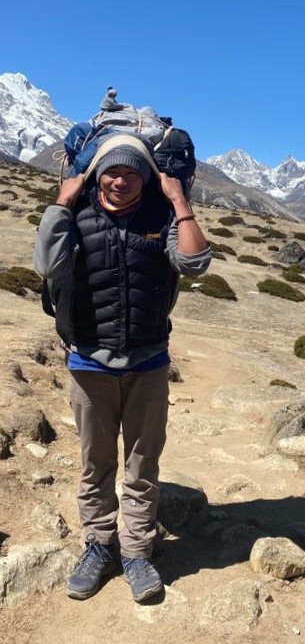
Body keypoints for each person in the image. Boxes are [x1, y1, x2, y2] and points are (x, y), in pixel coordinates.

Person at [33, 134, 211, 603]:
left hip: (148, 363)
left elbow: (194, 263)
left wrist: (179, 201)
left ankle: (135, 552)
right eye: (110, 171)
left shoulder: (162, 217)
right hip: (88, 361)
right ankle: (97, 544)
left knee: (142, 465)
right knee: (96, 464)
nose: (119, 180)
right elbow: (46, 264)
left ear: (144, 178)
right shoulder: (77, 216)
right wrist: (61, 203)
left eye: (131, 173)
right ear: (97, 175)